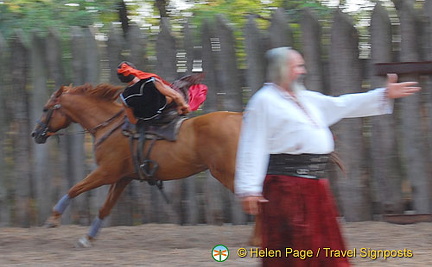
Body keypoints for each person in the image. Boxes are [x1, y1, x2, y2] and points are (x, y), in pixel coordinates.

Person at [234, 47, 420, 266]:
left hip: (315, 186)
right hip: (285, 187)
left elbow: (342, 104)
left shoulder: (307, 98)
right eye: (298, 66)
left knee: (325, 246)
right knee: (293, 249)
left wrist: (383, 94)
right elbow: (252, 144)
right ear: (282, 69)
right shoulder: (263, 101)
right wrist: (249, 189)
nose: (302, 71)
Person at [117, 61, 191, 124]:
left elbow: (133, 121)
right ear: (135, 71)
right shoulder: (151, 81)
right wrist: (183, 105)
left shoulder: (124, 97)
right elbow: (176, 96)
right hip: (165, 112)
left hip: (149, 122)